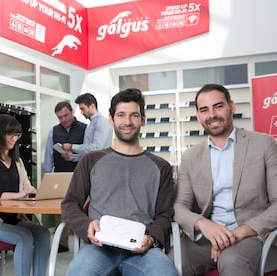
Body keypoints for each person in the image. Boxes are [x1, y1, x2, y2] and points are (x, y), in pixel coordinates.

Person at [174, 83, 277, 276]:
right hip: (209, 237)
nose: (212, 114)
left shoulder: (264, 144)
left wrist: (240, 232)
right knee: (170, 262)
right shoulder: (191, 156)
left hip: (257, 236)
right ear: (198, 116)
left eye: (218, 106)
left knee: (231, 261)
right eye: (204, 110)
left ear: (232, 106)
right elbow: (179, 206)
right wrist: (204, 225)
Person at [61, 88, 178, 275]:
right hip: (99, 248)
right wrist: (86, 225)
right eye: (121, 115)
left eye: (134, 115)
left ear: (143, 120)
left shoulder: (161, 167)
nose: (127, 122)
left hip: (142, 251)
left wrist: (152, 238)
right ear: (111, 119)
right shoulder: (90, 161)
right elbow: (69, 204)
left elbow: (165, 214)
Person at [0, 114, 50, 276]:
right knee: (24, 237)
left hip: (14, 220)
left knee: (43, 233)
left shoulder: (18, 161)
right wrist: (19, 194)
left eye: (17, 134)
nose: (14, 138)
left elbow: (26, 186)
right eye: (10, 134)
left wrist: (33, 192)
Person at [44, 101, 87, 252]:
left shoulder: (84, 129)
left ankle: (83, 244)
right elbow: (49, 154)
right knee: (59, 209)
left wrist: (74, 156)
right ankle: (61, 244)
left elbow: (88, 152)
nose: (63, 120)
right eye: (60, 117)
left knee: (80, 208)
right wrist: (47, 176)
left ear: (72, 112)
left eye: (65, 115)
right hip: (60, 175)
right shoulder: (53, 131)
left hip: (80, 174)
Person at [61, 92, 113, 160]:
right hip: (92, 165)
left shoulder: (101, 122)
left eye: (83, 109)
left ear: (92, 106)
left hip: (100, 166)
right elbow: (88, 153)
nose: (81, 112)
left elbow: (97, 148)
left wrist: (71, 147)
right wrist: (73, 157)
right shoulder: (91, 124)